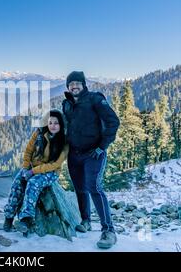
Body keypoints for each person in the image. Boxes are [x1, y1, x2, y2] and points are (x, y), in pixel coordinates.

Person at [62, 71, 120, 249]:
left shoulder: (95, 99)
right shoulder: (67, 103)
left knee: (94, 187)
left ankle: (109, 231)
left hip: (93, 153)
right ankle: (86, 221)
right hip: (74, 153)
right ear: (68, 87)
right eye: (71, 84)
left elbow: (113, 122)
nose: (74, 86)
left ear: (83, 84)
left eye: (77, 83)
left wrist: (102, 146)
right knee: (79, 188)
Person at [3, 109, 69, 236]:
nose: (53, 126)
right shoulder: (39, 133)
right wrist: (26, 168)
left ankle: (26, 220)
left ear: (61, 124)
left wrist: (33, 171)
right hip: (32, 167)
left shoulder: (64, 142)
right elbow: (28, 151)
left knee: (33, 183)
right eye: (50, 123)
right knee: (17, 183)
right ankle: (9, 217)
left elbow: (55, 164)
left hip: (50, 172)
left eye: (56, 123)